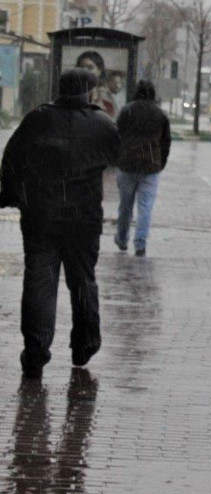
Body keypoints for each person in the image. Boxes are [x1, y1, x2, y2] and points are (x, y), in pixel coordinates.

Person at [0, 68, 120, 378]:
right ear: (89, 92)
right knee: (82, 281)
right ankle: (85, 343)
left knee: (40, 282)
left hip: (41, 216)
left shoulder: (38, 119)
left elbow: (11, 159)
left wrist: (13, 194)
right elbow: (117, 156)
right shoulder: (102, 124)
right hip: (83, 219)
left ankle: (36, 350)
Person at [114, 80, 171, 257]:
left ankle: (122, 239)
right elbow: (166, 142)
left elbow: (117, 134)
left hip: (126, 164)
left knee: (125, 206)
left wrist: (117, 156)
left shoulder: (127, 111)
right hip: (150, 166)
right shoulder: (160, 115)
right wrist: (161, 162)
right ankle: (140, 244)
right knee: (145, 207)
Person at [76, 50, 116, 119]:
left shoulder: (107, 102)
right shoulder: (71, 97)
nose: (85, 71)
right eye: (81, 67)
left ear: (99, 71)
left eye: (90, 67)